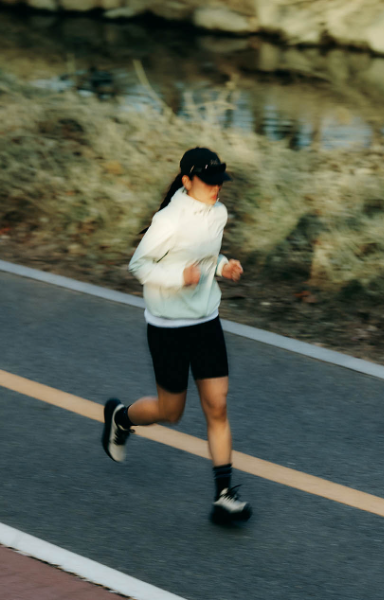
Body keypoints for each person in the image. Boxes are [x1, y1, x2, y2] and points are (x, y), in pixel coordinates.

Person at [101, 147, 251, 524]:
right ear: (187, 181)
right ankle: (121, 419)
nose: (216, 188)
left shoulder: (218, 213)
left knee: (217, 405)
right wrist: (178, 278)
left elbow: (204, 256)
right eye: (208, 181)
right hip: (168, 326)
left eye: (220, 181)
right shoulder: (168, 219)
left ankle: (224, 495)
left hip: (205, 320)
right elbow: (140, 265)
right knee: (172, 412)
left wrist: (222, 267)